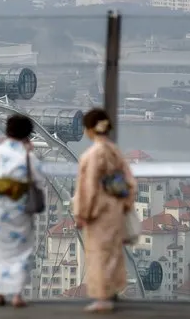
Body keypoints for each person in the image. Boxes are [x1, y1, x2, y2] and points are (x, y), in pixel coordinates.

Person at [73, 108, 137, 313]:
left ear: (90, 130)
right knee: (113, 254)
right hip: (116, 208)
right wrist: (126, 203)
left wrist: (83, 213)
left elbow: (89, 187)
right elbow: (129, 182)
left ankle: (102, 298)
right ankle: (112, 293)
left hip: (99, 211)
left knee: (98, 254)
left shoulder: (93, 154)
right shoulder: (114, 151)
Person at [0, 114, 46, 308]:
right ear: (28, 134)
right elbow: (38, 180)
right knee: (21, 252)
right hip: (19, 209)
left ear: (7, 130)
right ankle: (17, 295)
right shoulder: (29, 157)